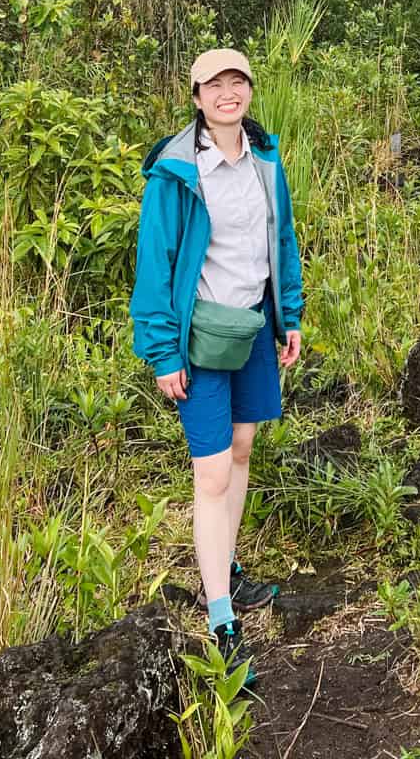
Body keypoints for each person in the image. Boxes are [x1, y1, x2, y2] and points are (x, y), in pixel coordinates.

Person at [130, 48, 304, 674]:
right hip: (199, 337)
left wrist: (291, 318)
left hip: (254, 330)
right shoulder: (177, 174)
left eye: (238, 82)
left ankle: (224, 560)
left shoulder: (264, 161)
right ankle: (221, 615)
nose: (228, 93)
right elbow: (154, 269)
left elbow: (280, 242)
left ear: (249, 92)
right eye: (215, 85)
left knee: (241, 450)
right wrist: (162, 352)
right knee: (210, 475)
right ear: (197, 97)